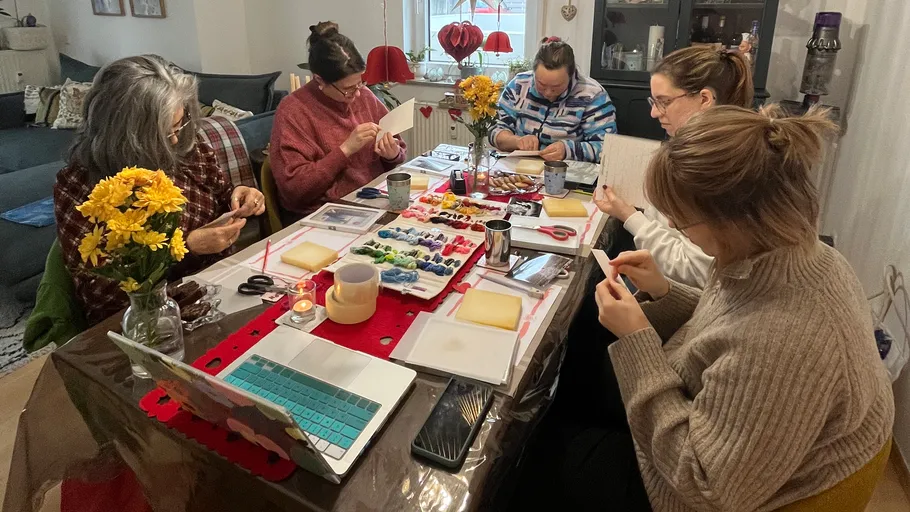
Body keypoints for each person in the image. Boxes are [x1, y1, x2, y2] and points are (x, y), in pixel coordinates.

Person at [524, 105, 895, 511]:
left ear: (732, 220)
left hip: (685, 488)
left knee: (533, 458)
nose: (680, 231)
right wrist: (663, 291)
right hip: (706, 417)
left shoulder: (786, 341)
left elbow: (705, 487)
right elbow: (728, 323)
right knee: (578, 357)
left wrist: (636, 341)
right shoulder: (787, 252)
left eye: (683, 224)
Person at [55, 55, 265, 325]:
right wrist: (187, 247)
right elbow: (98, 292)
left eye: (179, 126)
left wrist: (243, 194)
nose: (176, 140)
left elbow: (224, 195)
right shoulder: (80, 186)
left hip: (217, 289)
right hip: (144, 319)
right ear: (125, 136)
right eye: (164, 135)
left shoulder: (190, 151)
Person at [594, 45, 754, 288]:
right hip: (664, 280)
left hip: (681, 295)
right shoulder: (697, 150)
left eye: (663, 102)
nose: (653, 112)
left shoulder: (710, 168)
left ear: (704, 99)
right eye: (653, 101)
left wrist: (629, 216)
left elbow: (697, 270)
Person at [270, 21, 407, 218]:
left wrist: (392, 154)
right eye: (348, 89)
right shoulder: (293, 111)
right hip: (325, 213)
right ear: (319, 81)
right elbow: (294, 191)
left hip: (370, 199)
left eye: (360, 83)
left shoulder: (365, 96)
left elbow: (399, 150)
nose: (358, 94)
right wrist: (346, 150)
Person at [489, 37, 616, 163]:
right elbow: (495, 129)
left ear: (571, 75)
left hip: (566, 172)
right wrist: (517, 141)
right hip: (518, 168)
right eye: (541, 84)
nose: (548, 93)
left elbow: (606, 148)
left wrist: (568, 150)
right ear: (534, 73)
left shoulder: (592, 95)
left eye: (556, 87)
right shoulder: (519, 84)